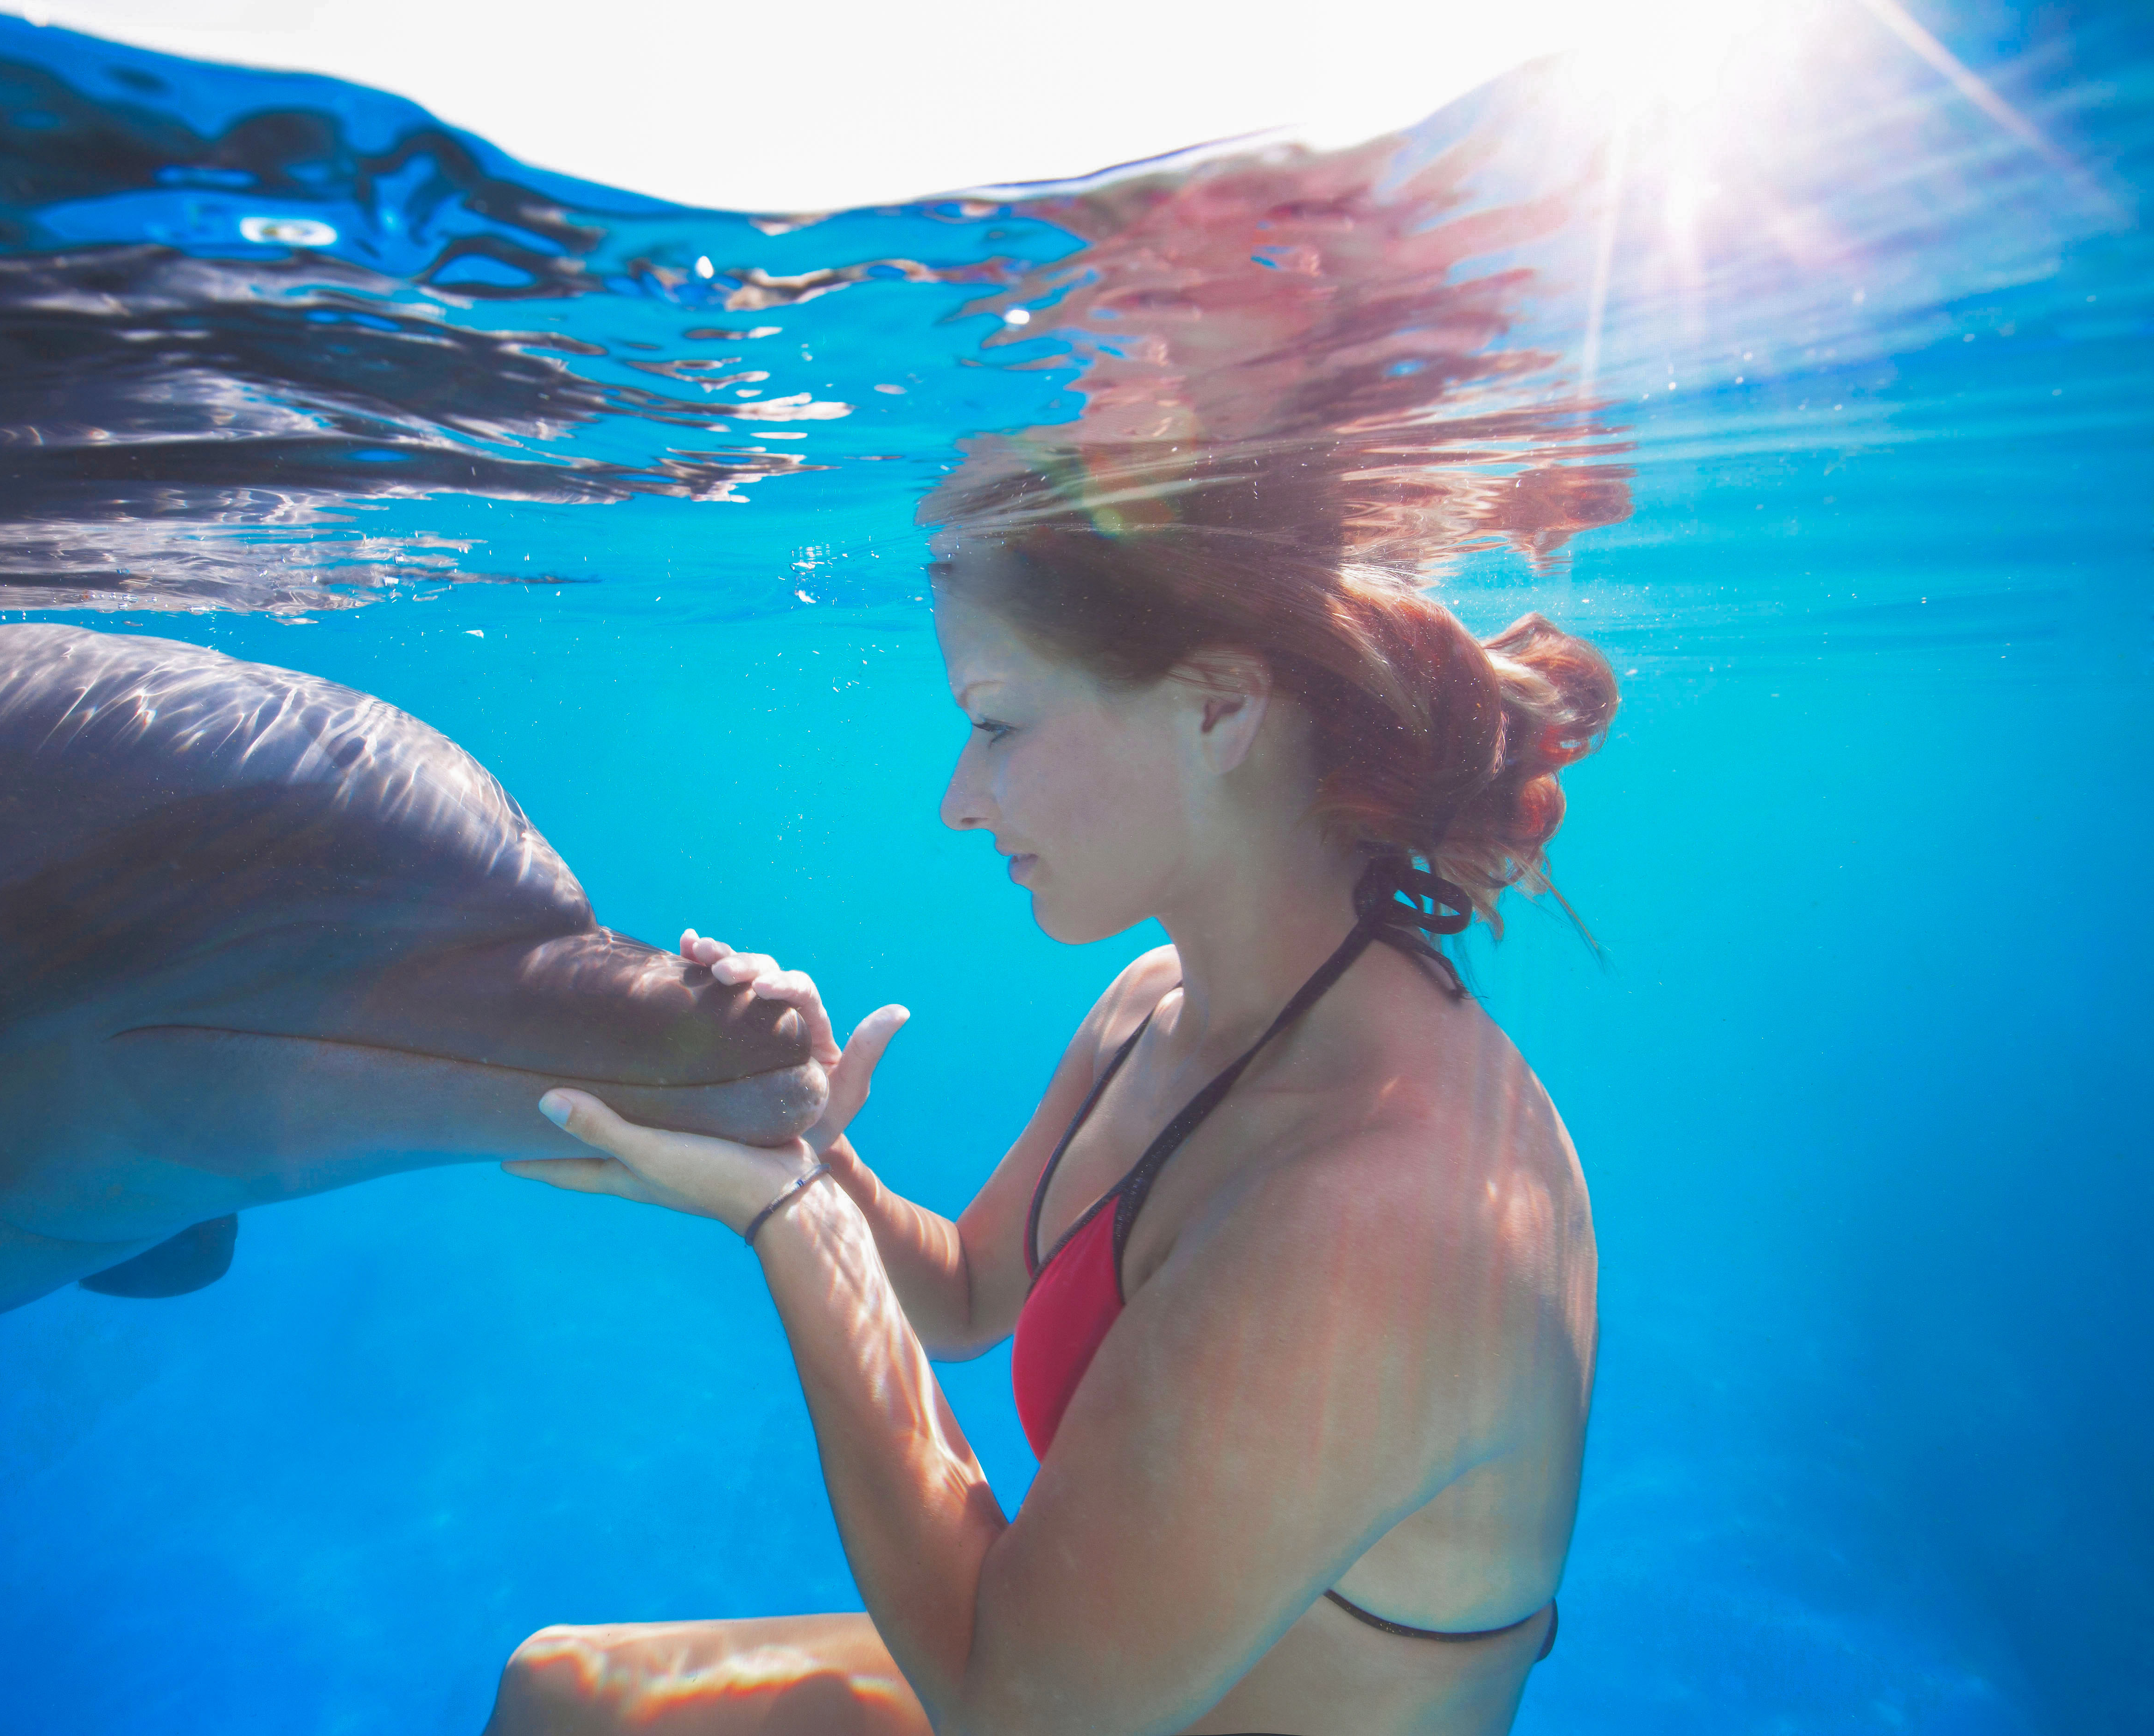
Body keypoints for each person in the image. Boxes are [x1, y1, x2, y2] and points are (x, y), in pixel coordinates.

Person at [486, 442, 1615, 1736]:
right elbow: (968, 1294)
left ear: (1217, 710)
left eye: (999, 722)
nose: (959, 801)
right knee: (560, 1689)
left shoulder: (1385, 1209)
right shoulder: (1160, 1006)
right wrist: (811, 1154)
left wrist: (787, 1228)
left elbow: (1013, 1707)